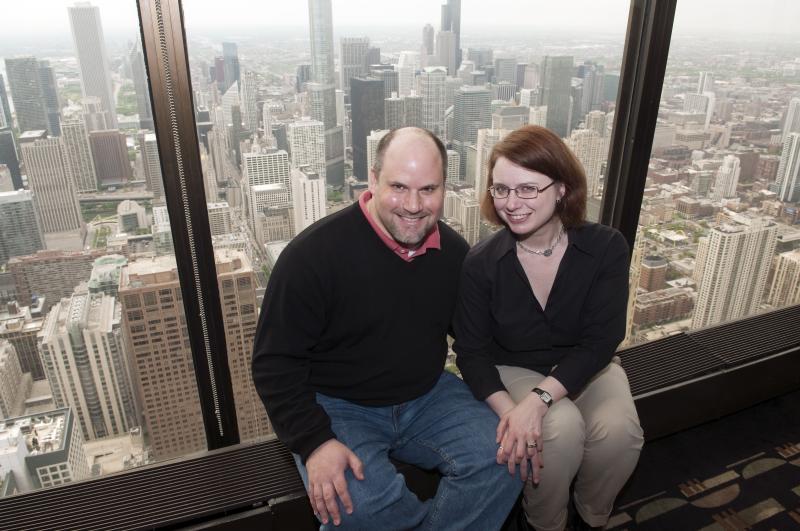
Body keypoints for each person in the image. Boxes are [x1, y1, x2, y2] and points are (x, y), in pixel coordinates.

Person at [252, 127, 522, 530]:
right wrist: (316, 442)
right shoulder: (312, 257)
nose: (413, 205)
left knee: (505, 456)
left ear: (445, 189)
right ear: (372, 180)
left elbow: (476, 339)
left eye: (428, 189)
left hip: (428, 395)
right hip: (338, 404)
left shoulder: (453, 255)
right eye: (399, 186)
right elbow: (273, 363)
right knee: (357, 507)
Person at [453, 125, 644, 531]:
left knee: (619, 432)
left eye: (528, 189)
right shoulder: (482, 263)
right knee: (558, 429)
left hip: (587, 364)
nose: (511, 203)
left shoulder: (606, 247)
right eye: (501, 189)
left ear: (561, 188)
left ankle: (592, 516)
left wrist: (540, 399)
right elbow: (471, 352)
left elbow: (602, 338)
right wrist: (512, 413)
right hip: (516, 368)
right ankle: (544, 522)